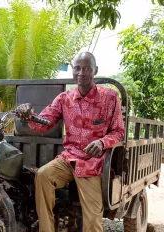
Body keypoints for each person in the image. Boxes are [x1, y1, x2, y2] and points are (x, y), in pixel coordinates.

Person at [16, 52, 125, 232]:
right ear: (73, 71)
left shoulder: (110, 97)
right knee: (42, 175)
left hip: (93, 163)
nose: (81, 72)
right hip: (69, 158)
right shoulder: (64, 99)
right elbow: (45, 123)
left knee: (92, 218)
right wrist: (29, 116)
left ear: (95, 71)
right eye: (77, 68)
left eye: (87, 68)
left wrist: (102, 143)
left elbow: (119, 131)